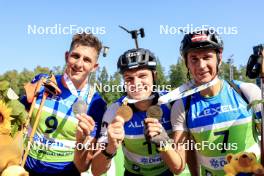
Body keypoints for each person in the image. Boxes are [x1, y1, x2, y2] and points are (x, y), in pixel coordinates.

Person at [171, 29, 262, 175]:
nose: (201, 65)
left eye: (207, 57)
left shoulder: (247, 92)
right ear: (186, 63)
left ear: (219, 58)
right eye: (194, 59)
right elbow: (185, 152)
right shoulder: (181, 106)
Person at [89, 48, 185, 176]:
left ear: (154, 76)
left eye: (142, 76)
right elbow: (96, 171)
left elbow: (178, 168)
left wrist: (163, 143)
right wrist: (110, 147)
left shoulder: (172, 103)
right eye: (129, 78)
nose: (136, 83)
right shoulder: (114, 110)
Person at [21, 32, 107, 176]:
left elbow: (83, 167)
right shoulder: (42, 82)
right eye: (75, 56)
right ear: (67, 56)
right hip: (25, 169)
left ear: (94, 67)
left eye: (86, 60)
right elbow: (13, 116)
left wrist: (81, 140)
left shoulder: (96, 103)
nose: (79, 64)